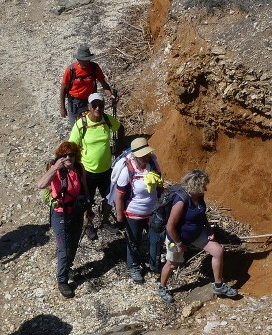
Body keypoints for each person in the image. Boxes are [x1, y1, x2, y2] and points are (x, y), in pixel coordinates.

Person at [156, 169, 239, 303]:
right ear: (195, 186)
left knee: (218, 251)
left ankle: (218, 285)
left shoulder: (199, 196)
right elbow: (170, 227)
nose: (205, 188)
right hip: (178, 238)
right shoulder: (181, 201)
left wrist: (209, 230)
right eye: (203, 185)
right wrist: (179, 244)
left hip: (196, 234)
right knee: (172, 264)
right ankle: (162, 287)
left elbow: (201, 214)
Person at [37, 141, 90, 298]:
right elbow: (40, 185)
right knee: (63, 248)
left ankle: (68, 267)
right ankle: (62, 280)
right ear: (59, 157)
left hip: (76, 211)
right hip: (60, 214)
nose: (69, 158)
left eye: (71, 155)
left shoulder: (79, 168)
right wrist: (55, 168)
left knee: (73, 243)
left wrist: (89, 210)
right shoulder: (56, 171)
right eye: (64, 155)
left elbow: (85, 187)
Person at [68, 91, 123, 239]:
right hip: (88, 171)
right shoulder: (81, 124)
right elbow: (72, 147)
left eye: (101, 105)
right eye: (95, 105)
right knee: (88, 199)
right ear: (89, 106)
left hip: (106, 170)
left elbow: (120, 128)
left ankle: (105, 221)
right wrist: (75, 167)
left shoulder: (107, 120)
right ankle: (89, 225)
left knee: (109, 197)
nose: (98, 108)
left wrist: (119, 148)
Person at [112, 136, 163, 284]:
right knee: (134, 241)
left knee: (155, 239)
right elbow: (119, 197)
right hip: (133, 214)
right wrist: (120, 218)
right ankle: (133, 266)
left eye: (147, 153)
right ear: (136, 156)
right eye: (143, 155)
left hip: (153, 212)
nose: (147, 156)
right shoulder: (127, 171)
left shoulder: (153, 163)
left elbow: (159, 185)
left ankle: (154, 265)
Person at [59, 45, 115, 123]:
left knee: (91, 123)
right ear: (78, 59)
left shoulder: (94, 67)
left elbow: (103, 82)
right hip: (75, 103)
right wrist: (62, 107)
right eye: (83, 60)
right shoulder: (71, 70)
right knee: (76, 126)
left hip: (91, 101)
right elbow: (63, 88)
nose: (86, 62)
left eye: (87, 60)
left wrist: (110, 94)